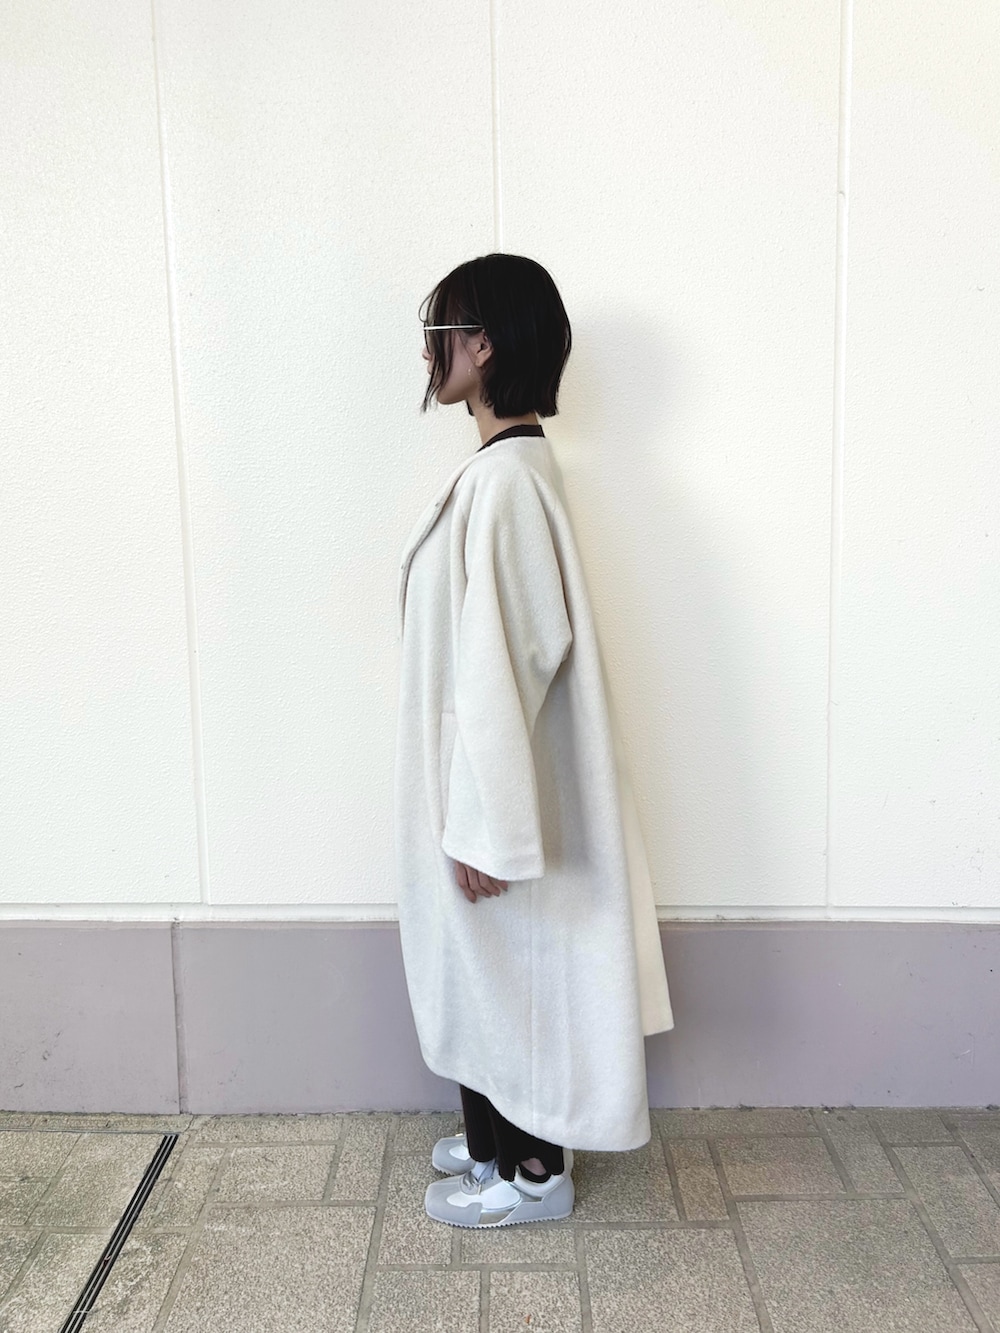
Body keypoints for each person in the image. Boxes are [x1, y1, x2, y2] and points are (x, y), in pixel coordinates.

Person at [394, 253, 674, 1230]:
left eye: (439, 334)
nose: (427, 354)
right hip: (472, 778)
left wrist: (487, 825)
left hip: (488, 790)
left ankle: (533, 1173)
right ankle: (492, 1144)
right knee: (482, 968)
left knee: (505, 973)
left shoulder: (507, 483)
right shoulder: (502, 471)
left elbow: (507, 667)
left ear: (481, 346)